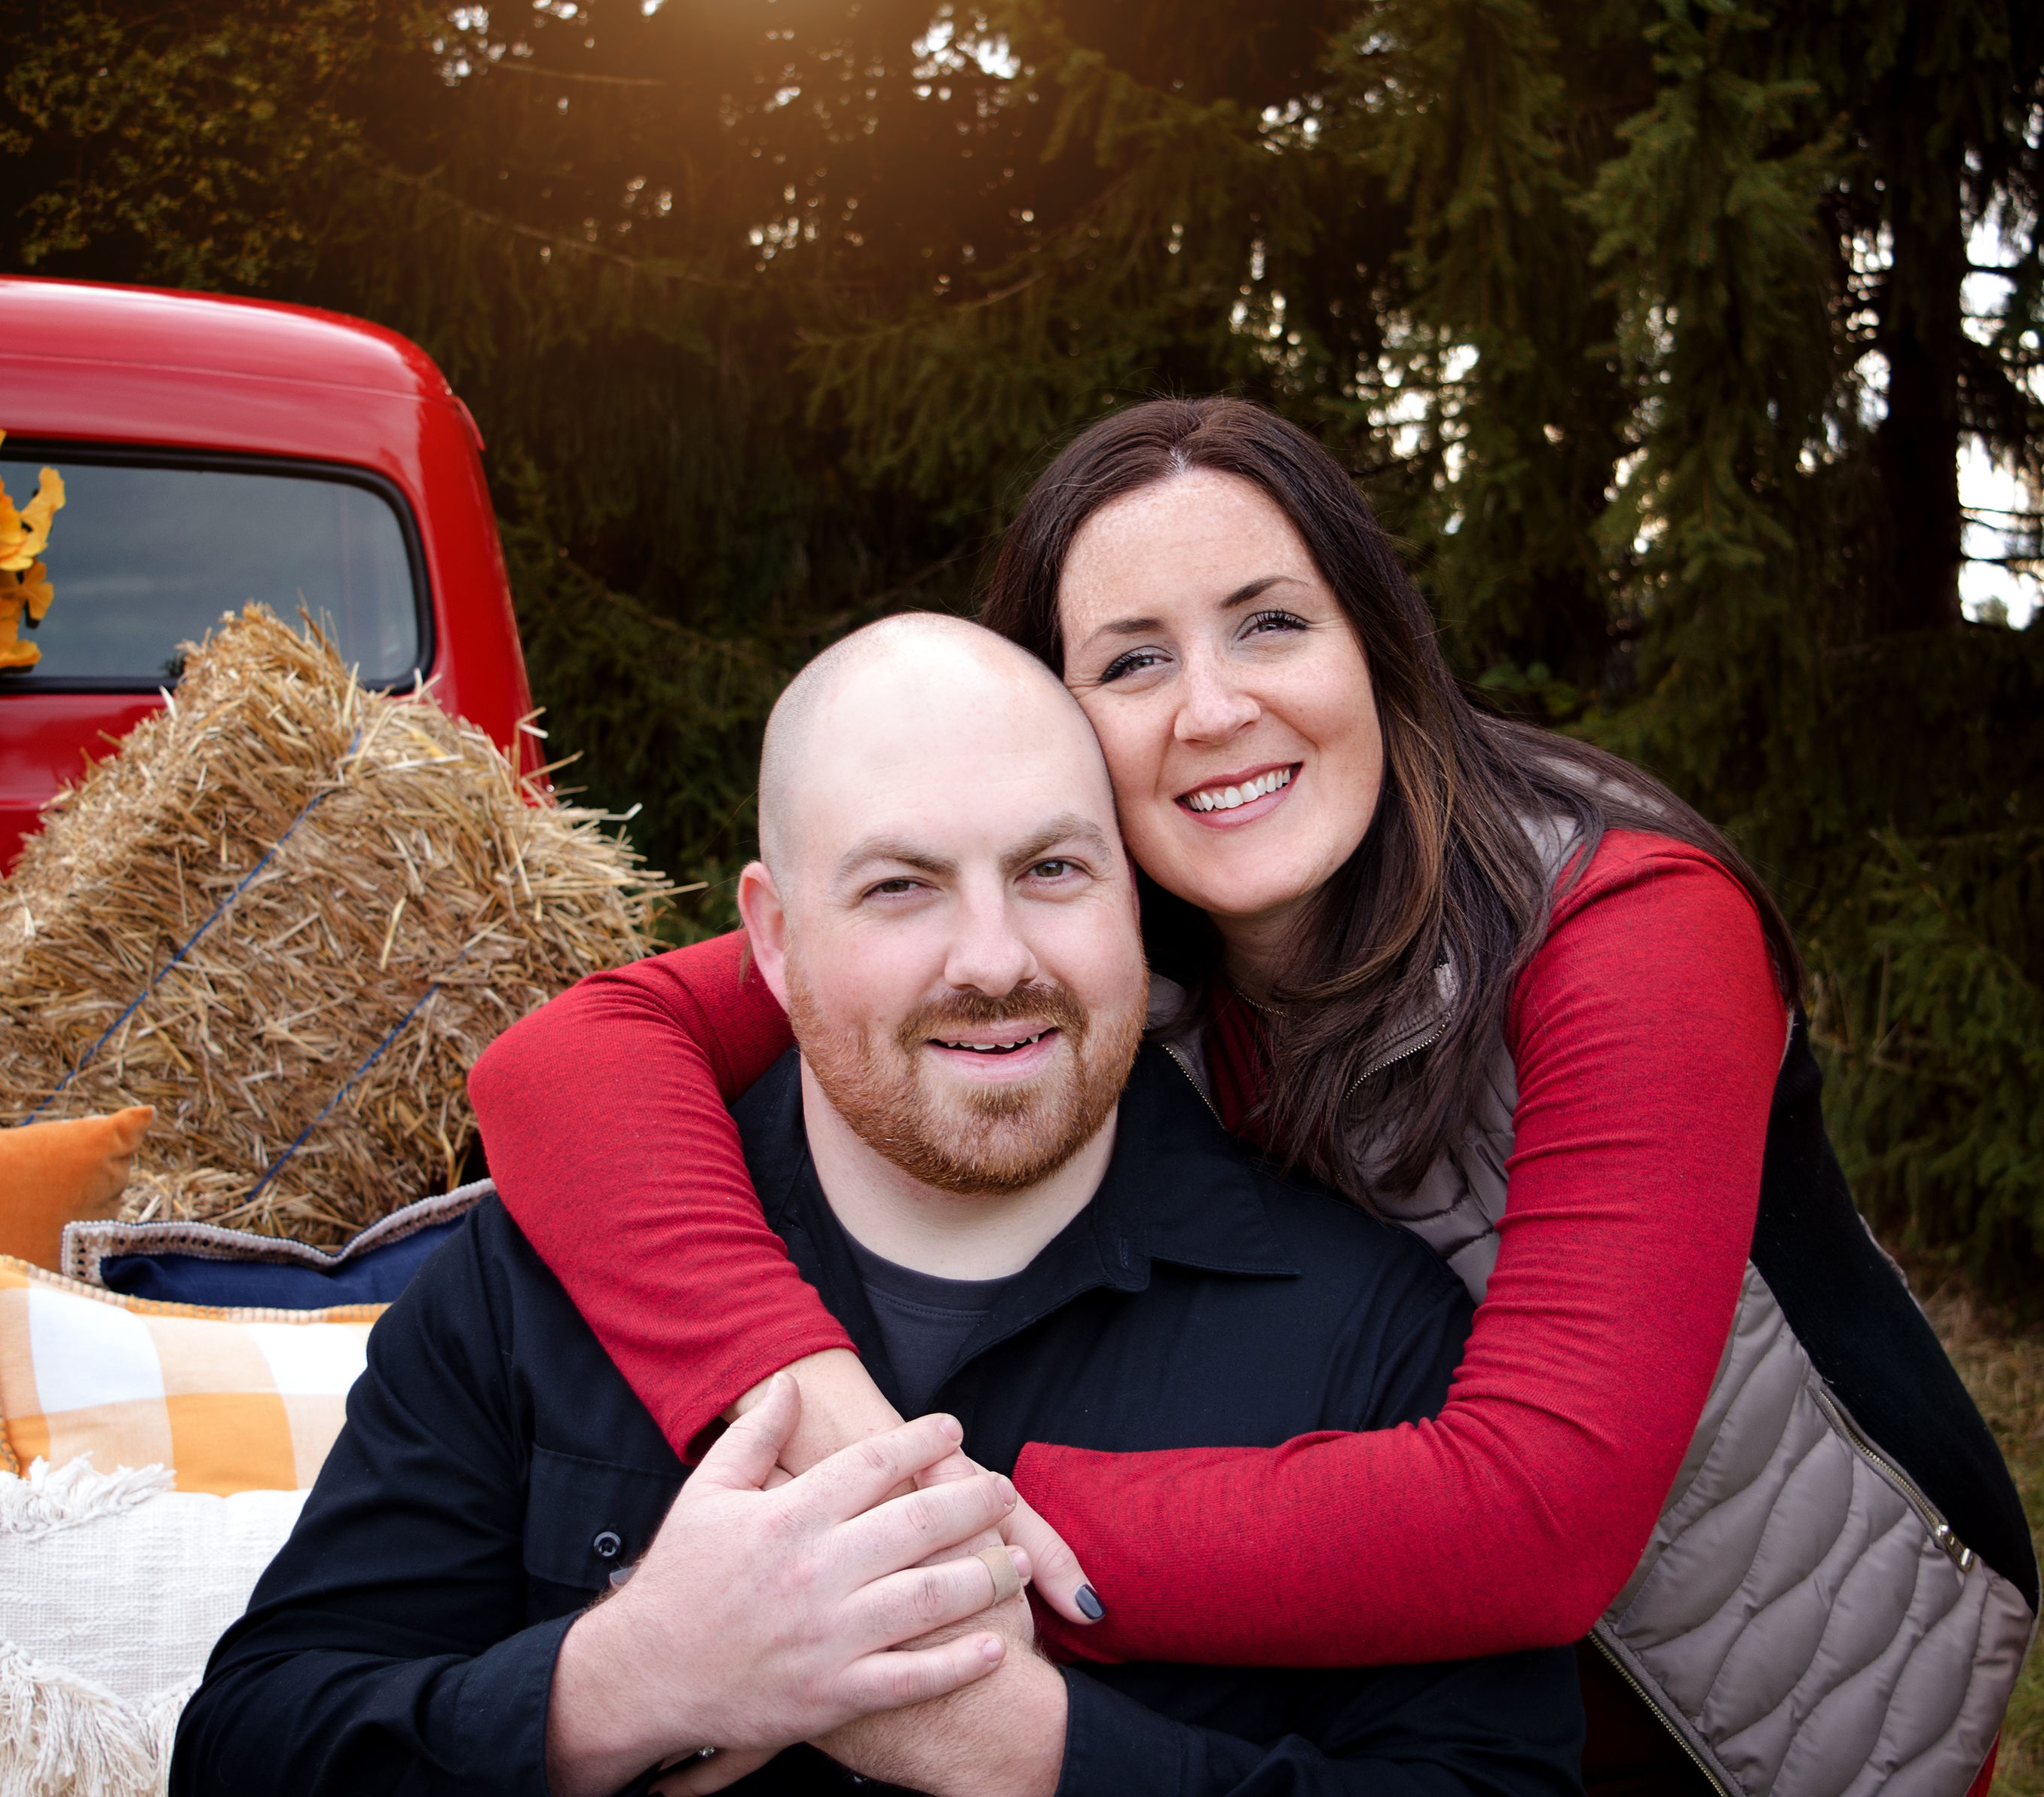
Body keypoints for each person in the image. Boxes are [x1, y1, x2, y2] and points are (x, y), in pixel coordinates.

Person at [470, 400, 2039, 1797]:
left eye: (1270, 624)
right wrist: (817, 1406)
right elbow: (565, 1061)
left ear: (1375, 644)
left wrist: (939, 1544)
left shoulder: (1630, 925)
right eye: (1133, 660)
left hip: (1778, 1677)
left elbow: (1546, 1513)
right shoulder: (1065, 928)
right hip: (1410, 1687)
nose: (1213, 708)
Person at [176, 615, 1585, 1797]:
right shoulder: (535, 1279)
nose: (994, 959)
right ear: (774, 939)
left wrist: (1041, 1754)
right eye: (903, 887)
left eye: (1051, 870)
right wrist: (627, 1680)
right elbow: (247, 1747)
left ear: (1135, 903)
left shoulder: (1368, 1335)